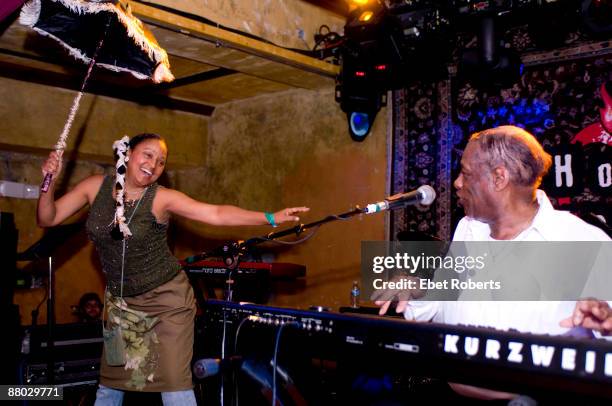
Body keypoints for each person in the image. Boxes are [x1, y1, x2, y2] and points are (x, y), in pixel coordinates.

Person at [37, 133, 309, 406]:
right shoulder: (94, 187)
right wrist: (48, 182)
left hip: (167, 304)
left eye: (161, 162)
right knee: (109, 387)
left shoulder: (161, 198)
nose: (153, 165)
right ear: (127, 153)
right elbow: (47, 218)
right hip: (122, 306)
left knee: (174, 389)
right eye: (148, 154)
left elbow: (215, 214)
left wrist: (270, 217)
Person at [374, 125, 611, 398]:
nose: (457, 183)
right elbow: (439, 307)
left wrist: (607, 323)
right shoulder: (468, 229)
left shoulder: (581, 240)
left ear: (499, 178)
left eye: (465, 173)